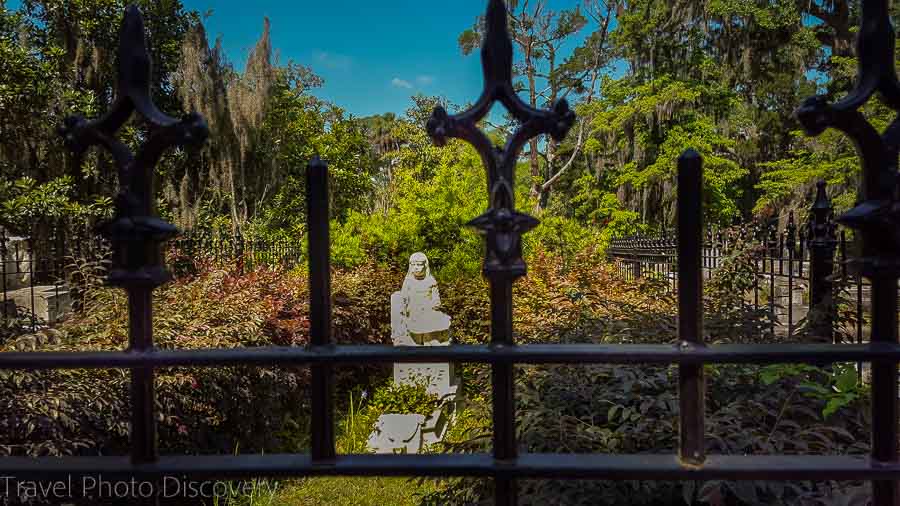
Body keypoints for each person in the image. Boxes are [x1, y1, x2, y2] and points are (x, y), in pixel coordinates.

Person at [393, 252, 451, 345]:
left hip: (429, 310)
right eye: (413, 265)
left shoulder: (431, 281)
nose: (416, 267)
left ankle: (431, 342)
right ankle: (416, 343)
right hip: (413, 311)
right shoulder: (408, 281)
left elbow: (436, 298)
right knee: (417, 323)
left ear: (425, 265)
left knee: (436, 320)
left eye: (419, 264)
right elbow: (403, 298)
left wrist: (435, 304)